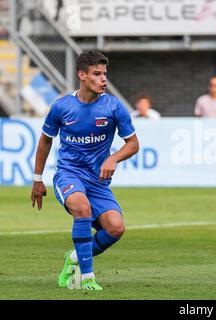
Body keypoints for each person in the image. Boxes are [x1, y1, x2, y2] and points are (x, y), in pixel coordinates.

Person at [30, 51, 139, 290]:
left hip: (97, 182)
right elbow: (45, 140)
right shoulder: (62, 107)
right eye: (97, 74)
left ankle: (73, 259)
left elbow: (133, 143)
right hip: (69, 174)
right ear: (82, 75)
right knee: (82, 208)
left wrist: (113, 158)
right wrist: (37, 179)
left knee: (115, 228)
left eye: (105, 74)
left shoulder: (113, 106)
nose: (103, 79)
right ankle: (87, 278)